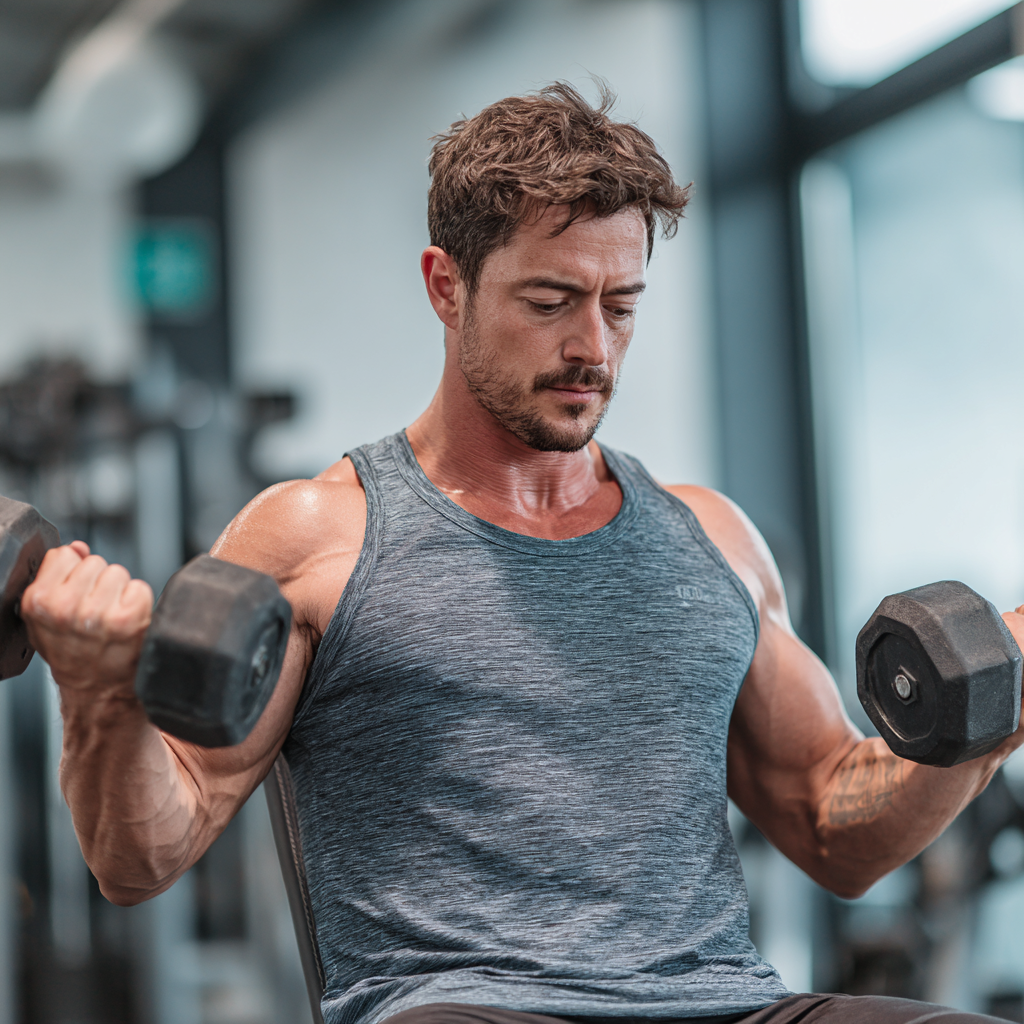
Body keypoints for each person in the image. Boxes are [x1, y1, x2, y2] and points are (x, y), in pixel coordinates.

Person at [20, 83, 1024, 1024]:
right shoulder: (317, 535)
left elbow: (830, 827)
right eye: (550, 302)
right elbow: (140, 855)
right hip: (469, 1003)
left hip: (721, 1001)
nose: (593, 344)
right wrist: (104, 692)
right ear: (444, 286)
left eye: (621, 305)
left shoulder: (710, 537)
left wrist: (984, 719)